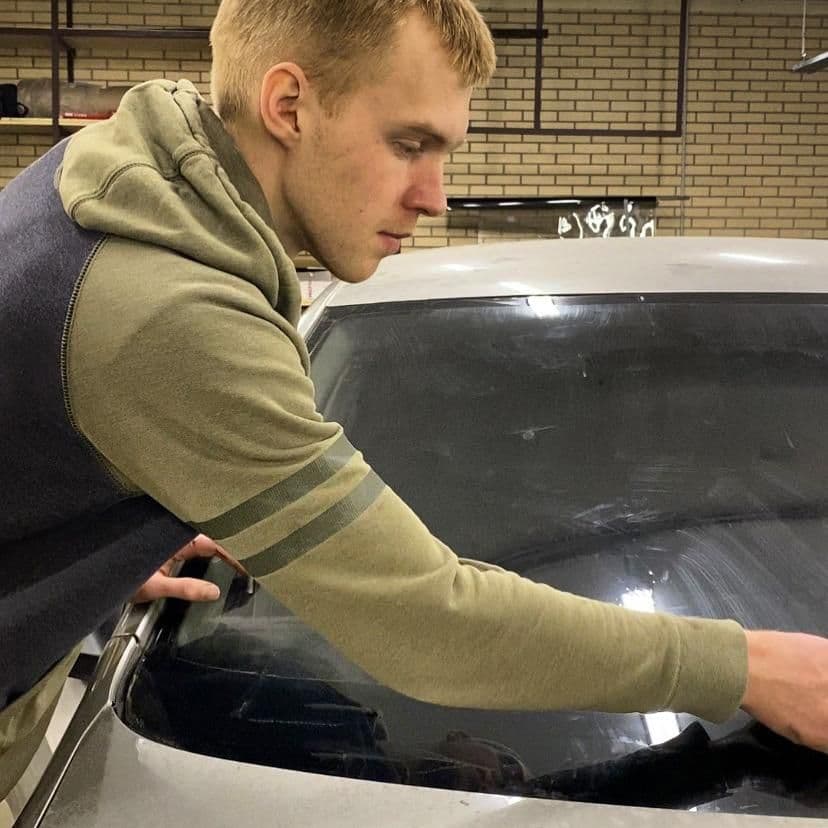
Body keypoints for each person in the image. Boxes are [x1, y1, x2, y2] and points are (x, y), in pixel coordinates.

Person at [2, 0, 828, 803]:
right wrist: (750, 667)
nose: (434, 196)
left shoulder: (116, 174)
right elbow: (429, 623)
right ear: (288, 104)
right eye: (408, 144)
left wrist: (78, 546)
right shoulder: (169, 313)